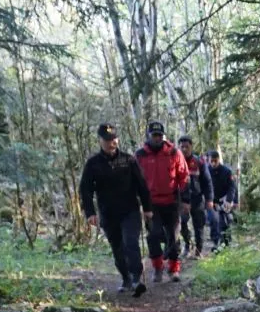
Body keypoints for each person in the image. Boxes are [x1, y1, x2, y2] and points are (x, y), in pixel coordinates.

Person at [78, 123, 153, 295]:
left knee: (131, 242)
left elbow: (142, 184)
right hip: (108, 213)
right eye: (108, 140)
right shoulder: (93, 164)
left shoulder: (129, 160)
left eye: (114, 139)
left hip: (130, 211)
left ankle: (136, 278)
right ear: (100, 141)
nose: (112, 143)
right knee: (117, 247)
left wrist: (148, 208)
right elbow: (85, 190)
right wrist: (90, 212)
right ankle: (126, 277)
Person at [134, 122, 189, 282]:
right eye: (154, 135)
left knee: (174, 236)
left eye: (159, 135)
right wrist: (137, 200)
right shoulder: (140, 155)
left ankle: (174, 269)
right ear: (148, 136)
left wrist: (185, 200)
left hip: (172, 201)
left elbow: (184, 176)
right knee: (153, 235)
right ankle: (157, 268)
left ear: (163, 136)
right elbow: (135, 179)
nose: (157, 138)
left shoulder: (174, 152)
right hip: (151, 203)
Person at [175, 136, 214, 259]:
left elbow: (207, 182)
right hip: (181, 200)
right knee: (182, 224)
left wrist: (209, 199)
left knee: (199, 225)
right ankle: (187, 244)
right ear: (179, 147)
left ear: (191, 147)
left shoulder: (199, 162)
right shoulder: (175, 161)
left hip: (197, 199)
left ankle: (199, 250)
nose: (185, 149)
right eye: (182, 147)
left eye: (187, 147)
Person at [206, 151, 237, 251]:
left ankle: (227, 242)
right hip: (212, 200)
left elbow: (232, 187)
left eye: (216, 161)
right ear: (209, 160)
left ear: (219, 159)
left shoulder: (227, 171)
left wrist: (229, 200)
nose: (213, 163)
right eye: (212, 161)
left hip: (224, 199)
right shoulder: (206, 171)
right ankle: (216, 243)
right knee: (213, 221)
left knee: (226, 221)